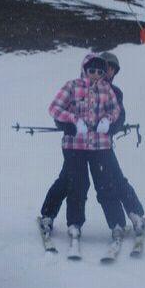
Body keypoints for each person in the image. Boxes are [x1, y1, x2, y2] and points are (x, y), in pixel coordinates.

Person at [40, 53, 126, 243]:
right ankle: (73, 223)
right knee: (76, 184)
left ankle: (117, 224)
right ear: (84, 70)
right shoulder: (73, 86)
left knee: (106, 184)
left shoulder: (107, 89)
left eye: (100, 72)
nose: (95, 75)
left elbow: (116, 110)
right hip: (75, 146)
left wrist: (107, 121)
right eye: (91, 70)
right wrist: (72, 121)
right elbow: (55, 108)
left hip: (99, 146)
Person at [99, 52, 145, 236]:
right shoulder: (86, 87)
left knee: (117, 179)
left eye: (112, 68)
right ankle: (49, 215)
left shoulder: (115, 92)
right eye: (105, 66)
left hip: (103, 145)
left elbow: (120, 116)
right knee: (71, 181)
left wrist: (109, 129)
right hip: (79, 146)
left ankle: (135, 214)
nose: (108, 71)